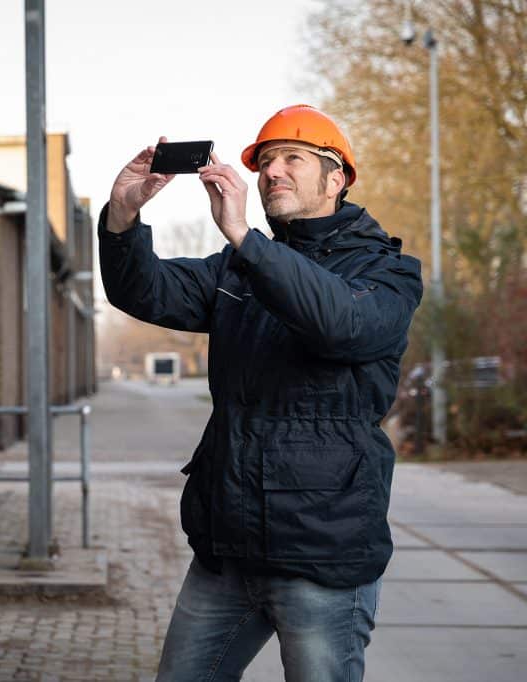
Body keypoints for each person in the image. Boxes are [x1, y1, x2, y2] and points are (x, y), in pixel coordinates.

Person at [98, 104, 423, 681]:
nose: (274, 171)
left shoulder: (387, 272)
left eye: (294, 158)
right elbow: (145, 292)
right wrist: (122, 217)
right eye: (266, 161)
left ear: (337, 178)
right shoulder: (237, 268)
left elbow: (339, 325)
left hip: (322, 554)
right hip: (228, 550)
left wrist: (248, 239)